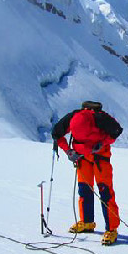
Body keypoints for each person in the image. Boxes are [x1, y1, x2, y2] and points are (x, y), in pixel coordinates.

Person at [51, 101, 123, 245]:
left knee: (105, 191)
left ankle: (111, 229)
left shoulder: (101, 118)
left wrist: (102, 144)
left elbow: (116, 131)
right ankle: (87, 222)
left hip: (100, 158)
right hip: (81, 157)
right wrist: (68, 151)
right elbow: (56, 134)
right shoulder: (72, 117)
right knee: (84, 189)